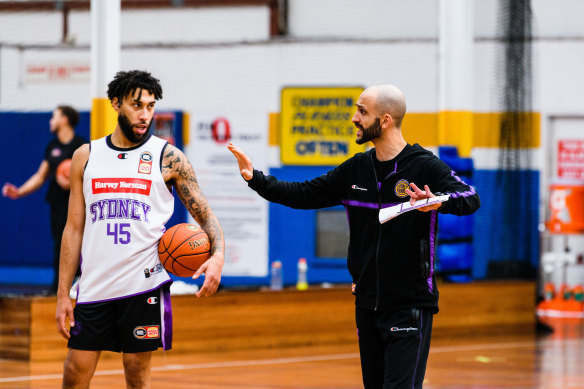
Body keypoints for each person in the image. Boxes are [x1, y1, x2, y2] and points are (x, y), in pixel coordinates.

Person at [228, 85, 480, 388]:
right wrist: (255, 179)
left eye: (362, 111)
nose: (354, 118)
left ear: (385, 120)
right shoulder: (356, 169)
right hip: (366, 303)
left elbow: (470, 196)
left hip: (409, 304)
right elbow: (303, 194)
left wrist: (440, 201)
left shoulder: (424, 166)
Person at [55, 70, 225, 388]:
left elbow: (207, 217)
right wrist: (63, 292)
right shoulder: (86, 157)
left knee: (136, 372)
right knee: (74, 372)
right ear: (116, 104)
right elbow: (73, 229)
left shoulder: (169, 158)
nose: (145, 113)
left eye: (150, 105)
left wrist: (217, 256)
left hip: (142, 286)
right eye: (137, 105)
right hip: (94, 285)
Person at [2, 106, 87, 294]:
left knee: (80, 244)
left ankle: (83, 285)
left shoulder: (81, 146)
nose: (50, 121)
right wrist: (19, 191)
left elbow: (90, 177)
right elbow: (41, 176)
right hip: (57, 204)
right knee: (59, 245)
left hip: (77, 204)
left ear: (64, 120)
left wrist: (73, 182)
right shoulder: (52, 147)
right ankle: (58, 288)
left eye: (54, 117)